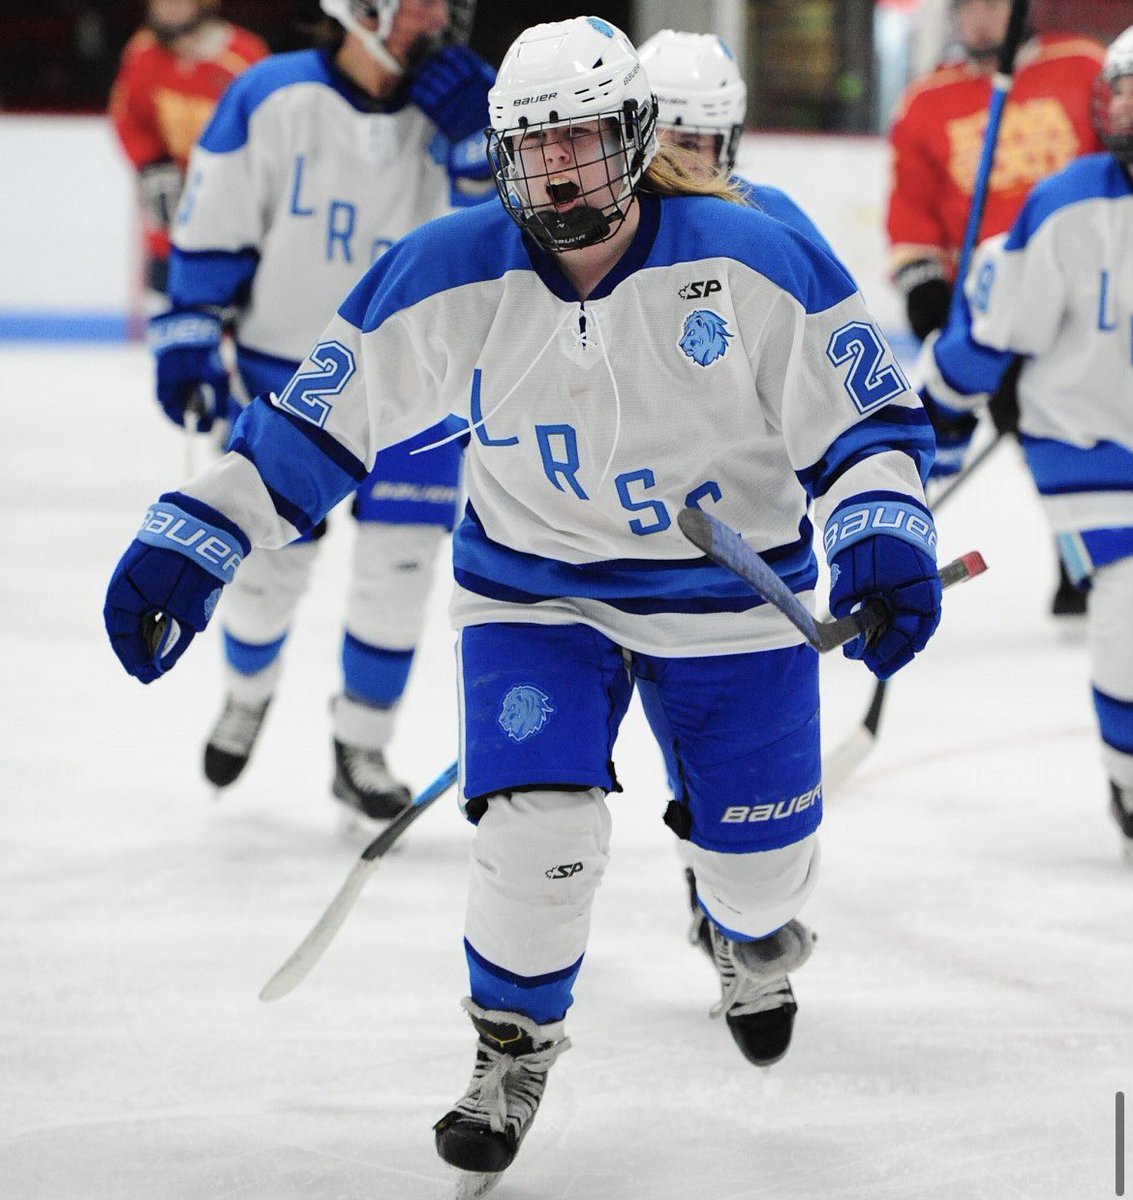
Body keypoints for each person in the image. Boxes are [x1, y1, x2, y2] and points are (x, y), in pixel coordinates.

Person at [105, 16, 942, 1188]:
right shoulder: (450, 262)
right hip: (534, 597)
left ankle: (746, 930)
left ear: (634, 135)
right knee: (536, 835)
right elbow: (314, 424)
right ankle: (508, 1052)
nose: (557, 170)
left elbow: (866, 425)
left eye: (585, 140)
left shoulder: (753, 253)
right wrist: (200, 533)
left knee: (760, 872)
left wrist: (879, 522)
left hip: (730, 599)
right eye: (533, 144)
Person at [151, 0, 494, 820]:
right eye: (419, 3)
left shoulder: (472, 105)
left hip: (418, 392)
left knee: (401, 571)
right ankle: (247, 691)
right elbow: (219, 216)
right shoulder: (271, 96)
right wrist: (192, 324)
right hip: (286, 383)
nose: (436, 19)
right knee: (266, 569)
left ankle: (362, 744)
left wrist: (482, 154)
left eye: (445, 4)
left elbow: (505, 242)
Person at [638, 26, 842, 972]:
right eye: (673, 138)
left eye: (706, 144)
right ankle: (718, 907)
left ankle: (733, 912)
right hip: (615, 550)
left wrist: (866, 491)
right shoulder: (593, 235)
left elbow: (841, 373)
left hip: (743, 551)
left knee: (736, 762)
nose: (690, 163)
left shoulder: (772, 223)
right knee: (674, 750)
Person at [920, 26, 1133, 857]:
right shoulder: (1068, 203)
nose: (1128, 110)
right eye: (1123, 91)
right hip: (1085, 443)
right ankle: (1128, 774)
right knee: (1128, 599)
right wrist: (943, 400)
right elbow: (995, 326)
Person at [886, 0, 1105, 616]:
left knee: (1074, 428)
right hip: (988, 314)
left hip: (1087, 300)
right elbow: (913, 210)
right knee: (935, 428)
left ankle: (1083, 556)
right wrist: (924, 287)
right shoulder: (927, 102)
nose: (980, 18)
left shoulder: (1082, 67)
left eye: (992, 3)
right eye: (968, 6)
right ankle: (883, 545)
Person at [108, 0, 269, 307]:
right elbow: (127, 116)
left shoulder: (245, 57)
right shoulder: (143, 51)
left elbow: (270, 130)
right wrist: (152, 164)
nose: (165, 8)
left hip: (233, 215)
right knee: (166, 311)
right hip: (172, 218)